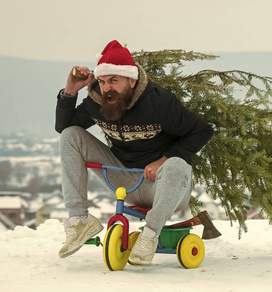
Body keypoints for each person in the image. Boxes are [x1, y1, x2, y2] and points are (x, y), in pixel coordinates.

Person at [55, 40, 214, 264]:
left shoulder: (159, 102)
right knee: (70, 135)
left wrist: (163, 160)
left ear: (131, 80)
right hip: (125, 181)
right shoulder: (97, 103)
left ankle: (149, 235)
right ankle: (80, 220)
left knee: (178, 164)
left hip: (163, 186)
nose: (107, 88)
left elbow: (202, 131)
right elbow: (64, 128)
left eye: (114, 80)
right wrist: (70, 91)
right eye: (101, 82)